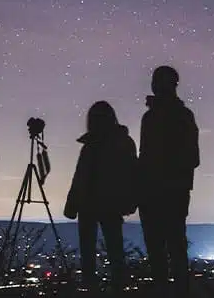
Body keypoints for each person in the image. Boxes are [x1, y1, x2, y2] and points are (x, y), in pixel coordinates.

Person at [63, 101, 139, 293]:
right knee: (113, 248)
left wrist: (72, 204)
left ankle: (95, 286)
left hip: (94, 203)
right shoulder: (121, 143)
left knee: (95, 249)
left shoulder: (93, 145)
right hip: (106, 203)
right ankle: (115, 286)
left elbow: (80, 176)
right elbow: (132, 173)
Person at [138, 65, 200, 297]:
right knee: (170, 245)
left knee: (165, 245)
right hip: (169, 190)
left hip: (165, 191)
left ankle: (169, 289)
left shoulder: (162, 117)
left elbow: (191, 157)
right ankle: (172, 289)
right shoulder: (165, 116)